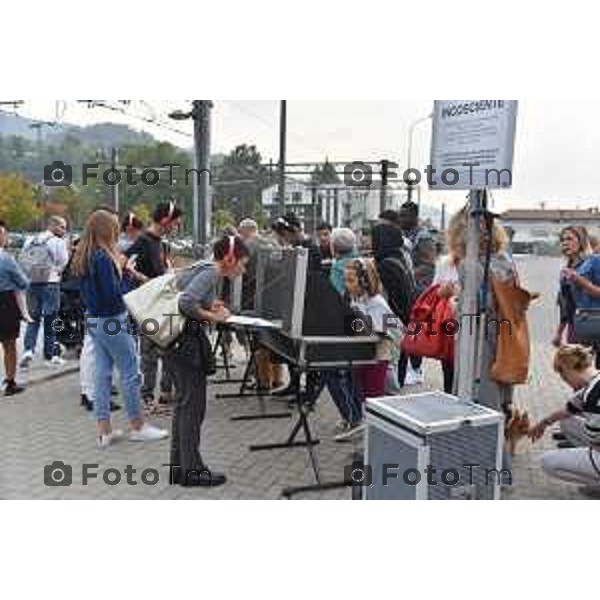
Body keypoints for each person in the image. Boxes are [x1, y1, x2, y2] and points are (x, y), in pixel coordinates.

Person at [72, 209, 168, 448]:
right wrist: (125, 274)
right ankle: (138, 426)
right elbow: (115, 296)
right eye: (115, 226)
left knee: (102, 375)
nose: (118, 230)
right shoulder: (103, 258)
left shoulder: (85, 255)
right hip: (112, 320)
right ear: (107, 229)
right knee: (130, 372)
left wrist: (123, 270)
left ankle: (104, 431)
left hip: (95, 320)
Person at [164, 235, 249, 487]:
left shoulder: (203, 268)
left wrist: (211, 306)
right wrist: (214, 318)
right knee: (192, 409)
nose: (243, 269)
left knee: (183, 406)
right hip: (185, 345)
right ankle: (192, 471)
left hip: (174, 343)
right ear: (229, 258)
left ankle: (179, 469)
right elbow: (186, 302)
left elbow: (193, 298)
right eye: (242, 263)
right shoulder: (211, 272)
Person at [125, 201, 181, 409]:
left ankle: (166, 392)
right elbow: (124, 263)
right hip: (148, 304)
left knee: (169, 348)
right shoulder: (143, 241)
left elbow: (164, 269)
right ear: (166, 220)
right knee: (149, 353)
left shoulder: (162, 243)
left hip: (164, 303)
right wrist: (144, 279)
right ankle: (147, 396)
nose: (176, 228)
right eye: (175, 224)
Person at [344, 258, 402, 434]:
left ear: (364, 281)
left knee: (374, 401)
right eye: (345, 280)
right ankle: (368, 440)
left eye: (351, 280)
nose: (347, 285)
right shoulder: (356, 300)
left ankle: (377, 440)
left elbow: (381, 332)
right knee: (364, 399)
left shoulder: (377, 303)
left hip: (377, 358)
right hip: (362, 356)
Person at [532, 345, 600, 495]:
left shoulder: (593, 396)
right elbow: (569, 410)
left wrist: (579, 455)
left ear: (568, 370)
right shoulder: (594, 381)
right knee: (567, 421)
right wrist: (544, 422)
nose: (565, 382)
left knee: (548, 462)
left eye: (563, 377)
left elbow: (595, 441)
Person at [371, 222, 416, 391]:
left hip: (392, 320)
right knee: (400, 359)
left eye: (374, 239)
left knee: (393, 363)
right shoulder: (399, 258)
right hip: (403, 317)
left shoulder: (386, 265)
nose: (371, 243)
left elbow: (385, 299)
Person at [19, 216, 69, 368]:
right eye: (62, 227)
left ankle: (28, 350)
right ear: (53, 225)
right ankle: (50, 355)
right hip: (51, 283)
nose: (64, 230)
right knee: (51, 320)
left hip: (32, 284)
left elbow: (23, 260)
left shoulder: (31, 240)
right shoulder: (57, 242)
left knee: (33, 319)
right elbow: (63, 261)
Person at [398, 201, 437, 385]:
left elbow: (429, 264)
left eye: (405, 215)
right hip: (406, 289)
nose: (401, 219)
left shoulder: (423, 236)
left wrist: (408, 274)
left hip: (418, 291)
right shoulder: (405, 234)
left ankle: (416, 368)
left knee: (415, 328)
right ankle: (408, 367)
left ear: (414, 216)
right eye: (400, 215)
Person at [0, 221, 30, 396]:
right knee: (9, 344)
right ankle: (10, 382)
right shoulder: (5, 258)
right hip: (5, 302)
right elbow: (23, 282)